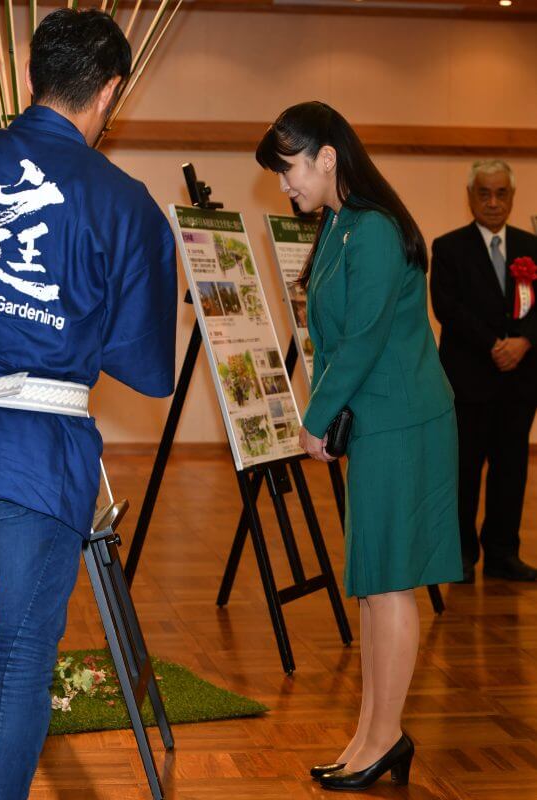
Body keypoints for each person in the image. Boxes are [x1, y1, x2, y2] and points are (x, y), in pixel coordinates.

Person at [0, 9, 177, 799]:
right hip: (42, 457)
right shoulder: (126, 204)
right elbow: (148, 369)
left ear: (29, 76)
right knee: (22, 660)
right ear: (112, 93)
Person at [256, 101, 462, 792]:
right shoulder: (340, 224)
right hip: (377, 422)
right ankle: (370, 734)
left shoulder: (371, 228)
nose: (285, 185)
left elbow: (365, 334)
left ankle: (385, 735)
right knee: (373, 585)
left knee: (392, 582)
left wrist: (313, 418)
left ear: (326, 157)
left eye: (288, 170)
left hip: (404, 421)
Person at [431, 160, 537, 584]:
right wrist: (494, 344)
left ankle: (502, 553)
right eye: (484, 193)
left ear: (512, 197)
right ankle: (460, 554)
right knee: (464, 470)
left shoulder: (532, 246)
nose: (493, 202)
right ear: (470, 196)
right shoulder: (449, 246)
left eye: (501, 193)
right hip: (469, 379)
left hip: (520, 380)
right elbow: (447, 307)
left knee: (511, 469)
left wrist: (524, 341)